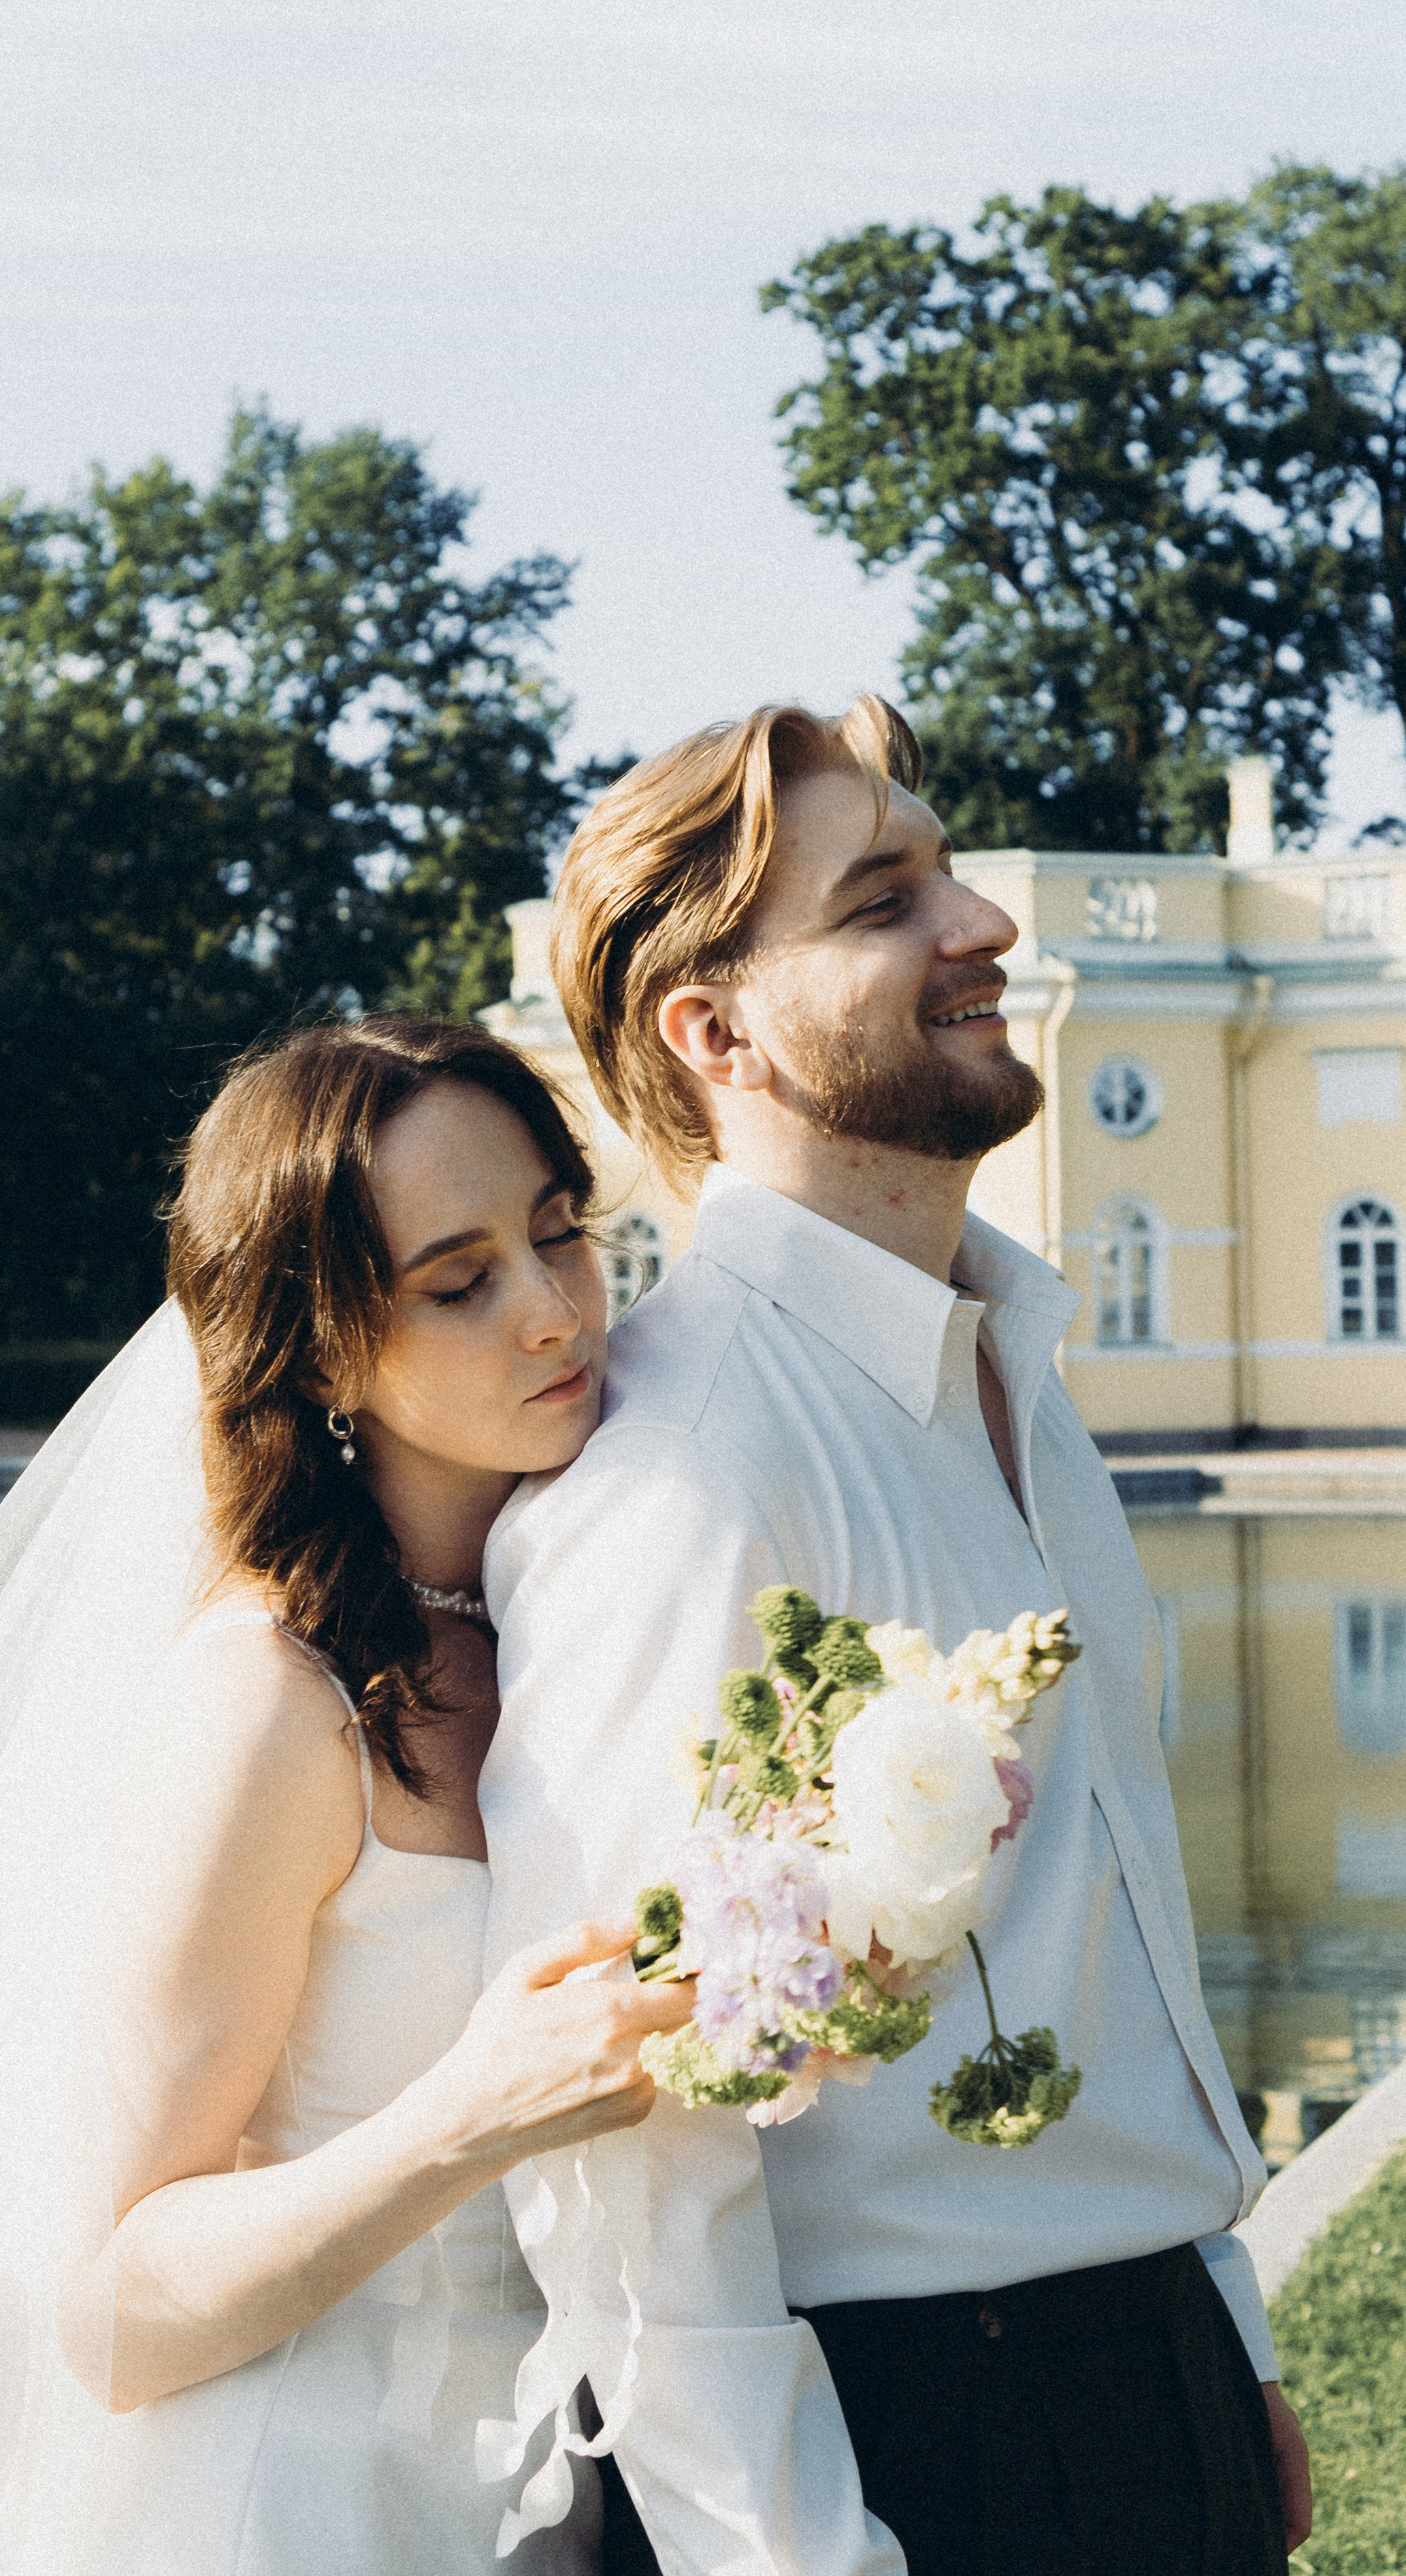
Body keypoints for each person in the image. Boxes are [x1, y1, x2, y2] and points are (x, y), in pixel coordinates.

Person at [478, 698, 1313, 2574]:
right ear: (719, 1029)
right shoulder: (685, 1472)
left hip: (1137, 2363)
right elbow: (624, 2134)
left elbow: (1120, 1905)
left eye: (945, 868)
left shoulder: (1012, 1360)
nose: (983, 926)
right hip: (904, 2442)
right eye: (886, 901)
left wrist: (1221, 2331)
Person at [0, 1017, 689, 2575]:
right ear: (326, 1345)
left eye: (562, 1234)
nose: (554, 1314)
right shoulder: (271, 1702)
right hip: (284, 2501)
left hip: (548, 2489)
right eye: (461, 1283)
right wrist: (467, 2116)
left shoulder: (586, 1616)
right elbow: (115, 2309)